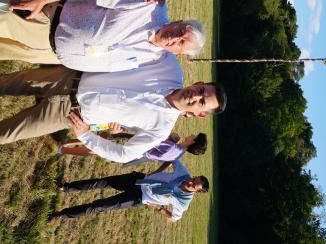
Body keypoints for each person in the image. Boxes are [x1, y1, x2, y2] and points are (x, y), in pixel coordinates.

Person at [0, 61, 227, 163]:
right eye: (200, 90)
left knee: (6, 133)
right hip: (68, 77)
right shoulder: (168, 66)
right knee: (4, 83)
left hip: (68, 113)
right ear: (198, 82)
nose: (194, 96)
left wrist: (86, 137)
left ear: (200, 114)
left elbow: (124, 155)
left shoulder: (161, 129)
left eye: (201, 102)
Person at [2, 0, 206, 70]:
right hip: (48, 23)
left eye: (181, 43)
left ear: (178, 54)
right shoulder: (148, 5)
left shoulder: (153, 59)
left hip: (51, 54)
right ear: (178, 21)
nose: (174, 38)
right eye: (180, 31)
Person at [49, 160, 207, 222]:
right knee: (101, 182)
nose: (191, 181)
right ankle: (66, 187)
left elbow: (174, 218)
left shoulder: (184, 202)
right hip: (139, 179)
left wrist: (159, 208)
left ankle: (62, 214)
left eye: (194, 185)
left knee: (99, 206)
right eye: (195, 178)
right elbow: (172, 157)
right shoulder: (184, 173)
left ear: (196, 192)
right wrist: (158, 170)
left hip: (139, 197)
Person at [60, 132, 208, 169]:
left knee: (98, 146)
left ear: (193, 141)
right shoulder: (179, 153)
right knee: (100, 142)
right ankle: (66, 144)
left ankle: (64, 149)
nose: (191, 135)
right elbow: (165, 162)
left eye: (194, 136)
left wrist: (169, 137)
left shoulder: (173, 147)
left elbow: (154, 139)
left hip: (134, 147)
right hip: (136, 154)